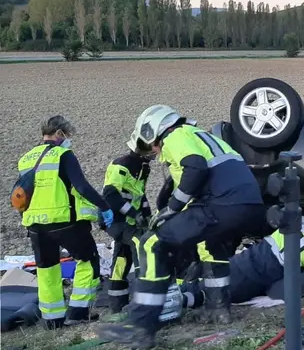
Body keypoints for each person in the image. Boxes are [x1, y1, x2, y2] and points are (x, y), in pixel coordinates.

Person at [98, 105, 271, 349]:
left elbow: (195, 167)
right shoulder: (205, 136)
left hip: (220, 203)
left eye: (152, 146)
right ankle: (218, 310)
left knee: (150, 243)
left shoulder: (175, 135)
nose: (156, 153)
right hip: (248, 204)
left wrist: (172, 208)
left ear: (155, 132)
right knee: (211, 246)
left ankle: (140, 326)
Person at [15, 116, 112, 329]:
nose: (68, 140)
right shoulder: (63, 155)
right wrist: (104, 207)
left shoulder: (26, 159)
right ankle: (78, 312)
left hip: (34, 224)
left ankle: (53, 320)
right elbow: (82, 187)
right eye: (67, 135)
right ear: (59, 133)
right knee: (88, 260)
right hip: (64, 221)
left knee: (47, 268)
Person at [100, 144, 154, 313]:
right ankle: (143, 300)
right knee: (140, 244)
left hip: (129, 222)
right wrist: (133, 213)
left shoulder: (143, 168)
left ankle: (117, 307)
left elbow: (140, 194)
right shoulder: (121, 165)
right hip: (115, 221)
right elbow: (110, 195)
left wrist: (147, 215)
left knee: (121, 261)